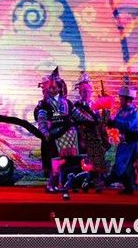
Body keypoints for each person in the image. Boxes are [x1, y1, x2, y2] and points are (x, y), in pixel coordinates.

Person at [34, 67, 88, 198]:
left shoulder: (67, 102)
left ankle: (59, 184)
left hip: (69, 136)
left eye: (55, 87)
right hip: (55, 135)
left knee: (66, 162)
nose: (52, 90)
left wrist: (91, 120)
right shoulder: (44, 104)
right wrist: (44, 131)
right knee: (56, 161)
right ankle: (51, 184)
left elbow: (78, 116)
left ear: (59, 88)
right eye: (50, 88)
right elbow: (41, 119)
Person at [72, 72, 110, 192]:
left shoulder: (95, 106)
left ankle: (95, 182)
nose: (86, 93)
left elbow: (101, 122)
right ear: (79, 92)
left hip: (95, 137)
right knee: (84, 161)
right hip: (82, 137)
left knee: (96, 160)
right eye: (83, 91)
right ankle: (81, 182)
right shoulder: (76, 106)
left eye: (88, 91)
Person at [105, 85, 138, 195]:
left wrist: (115, 123)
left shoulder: (135, 113)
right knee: (122, 163)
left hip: (131, 143)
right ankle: (128, 187)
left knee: (123, 164)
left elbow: (128, 125)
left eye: (121, 98)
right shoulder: (121, 111)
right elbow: (115, 121)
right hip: (123, 142)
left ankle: (111, 180)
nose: (120, 100)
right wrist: (109, 120)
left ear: (128, 100)